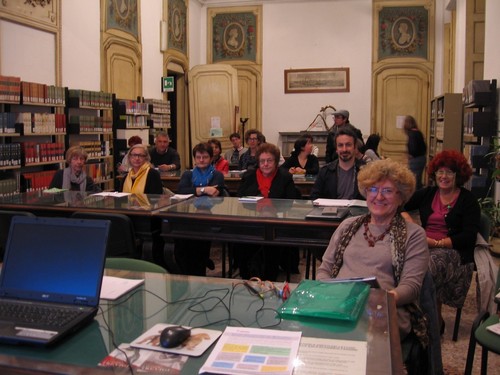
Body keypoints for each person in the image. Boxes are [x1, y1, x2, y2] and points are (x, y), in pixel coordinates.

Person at [317, 158, 429, 350]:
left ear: (401, 196)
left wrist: (383, 299)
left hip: (384, 309)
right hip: (339, 303)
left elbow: (411, 287)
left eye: (387, 191)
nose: (378, 197)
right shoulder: (348, 226)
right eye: (373, 190)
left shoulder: (414, 235)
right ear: (365, 192)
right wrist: (332, 294)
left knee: (356, 338)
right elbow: (324, 269)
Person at [404, 149, 480, 334]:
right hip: (424, 244)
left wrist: (437, 243)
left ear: (458, 175)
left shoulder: (468, 200)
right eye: (440, 171)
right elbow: (400, 205)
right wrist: (412, 225)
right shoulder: (428, 193)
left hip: (454, 251)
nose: (443, 176)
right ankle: (410, 317)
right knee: (395, 261)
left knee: (426, 268)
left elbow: (469, 236)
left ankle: (432, 320)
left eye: (449, 172)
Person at [237, 143, 301, 280]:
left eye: (269, 160)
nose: (265, 164)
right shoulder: (249, 176)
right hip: (253, 221)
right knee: (242, 238)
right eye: (262, 161)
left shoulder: (285, 177)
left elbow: (289, 202)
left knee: (271, 244)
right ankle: (248, 274)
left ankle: (269, 276)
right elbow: (240, 198)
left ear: (276, 161)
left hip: (276, 222)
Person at [175, 142, 225, 276]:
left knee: (199, 244)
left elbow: (215, 192)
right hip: (189, 214)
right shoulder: (188, 174)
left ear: (211, 158)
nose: (201, 160)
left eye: (205, 157)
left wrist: (195, 191)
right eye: (198, 157)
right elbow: (181, 190)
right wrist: (204, 189)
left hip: (209, 215)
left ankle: (201, 264)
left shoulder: (217, 175)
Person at [310, 127, 366, 200]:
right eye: (340, 145)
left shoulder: (366, 171)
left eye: (348, 145)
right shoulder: (325, 172)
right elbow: (314, 197)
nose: (344, 149)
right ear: (336, 149)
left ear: (355, 147)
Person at [403, 115, 427, 189]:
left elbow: (413, 148)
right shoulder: (418, 132)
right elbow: (424, 147)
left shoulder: (412, 134)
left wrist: (410, 155)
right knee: (418, 179)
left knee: (413, 181)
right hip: (422, 158)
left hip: (415, 160)